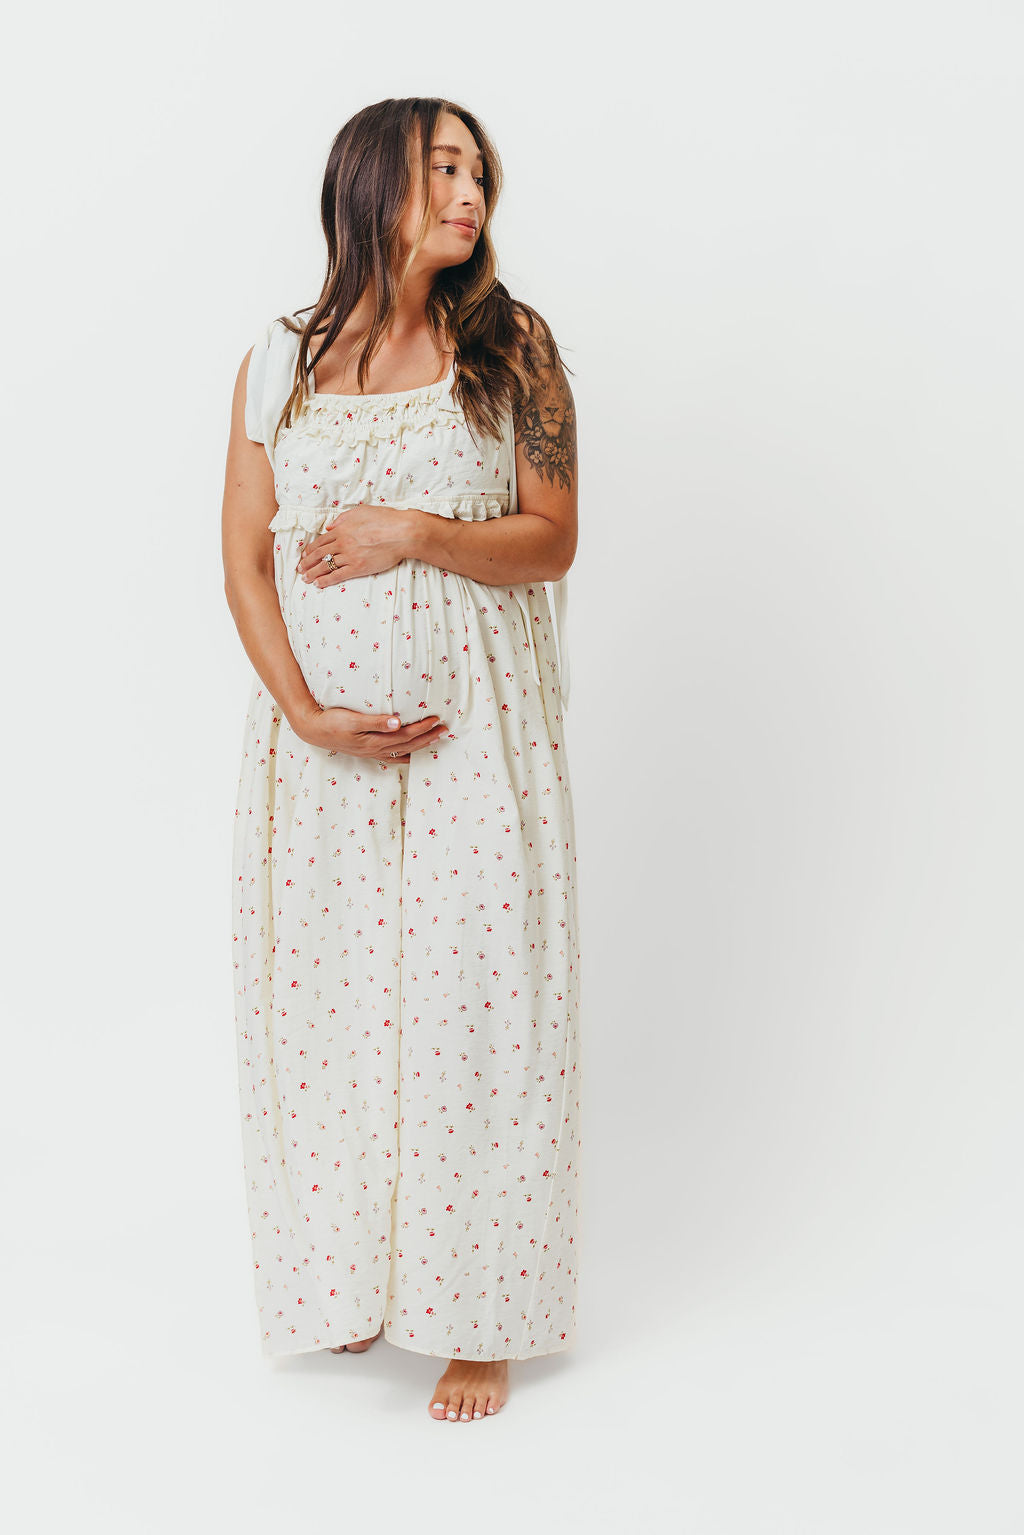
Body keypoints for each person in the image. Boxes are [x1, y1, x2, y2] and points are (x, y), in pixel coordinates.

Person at [221, 97, 581, 1424]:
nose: (471, 192)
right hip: (315, 760)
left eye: (479, 171)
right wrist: (305, 711)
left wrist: (415, 532)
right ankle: (353, 1286)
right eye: (443, 167)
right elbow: (244, 558)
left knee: (475, 1014)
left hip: (479, 745)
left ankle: (480, 1313)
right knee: (330, 1015)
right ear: (372, 181)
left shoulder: (513, 347)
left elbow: (552, 537)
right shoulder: (279, 359)